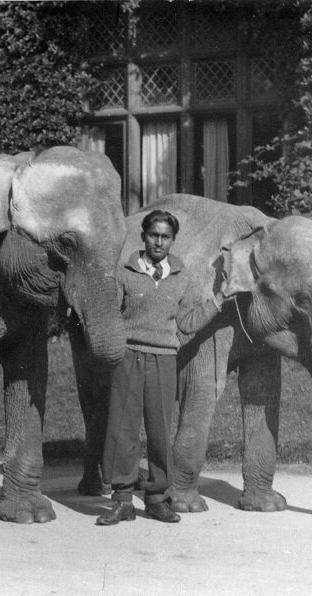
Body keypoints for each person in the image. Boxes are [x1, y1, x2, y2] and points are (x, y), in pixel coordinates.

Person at [96, 209, 224, 525]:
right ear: (144, 236)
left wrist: (220, 300)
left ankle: (156, 499)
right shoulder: (125, 272)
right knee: (123, 430)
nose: (159, 242)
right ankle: (122, 500)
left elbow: (187, 321)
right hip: (128, 357)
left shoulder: (182, 276)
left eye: (165, 237)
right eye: (154, 235)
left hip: (164, 360)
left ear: (172, 241)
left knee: (159, 430)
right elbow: (110, 313)